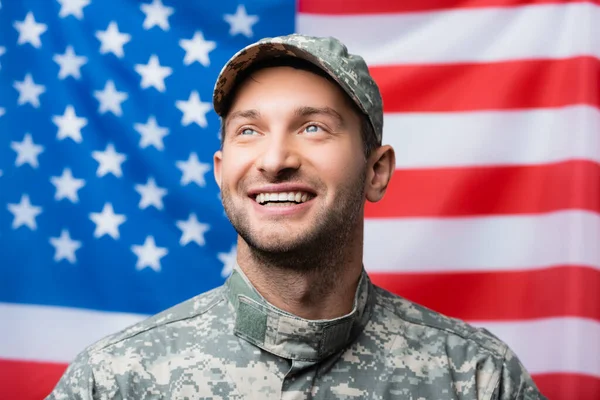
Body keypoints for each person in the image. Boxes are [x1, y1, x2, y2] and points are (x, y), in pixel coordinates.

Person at [46, 34, 547, 400]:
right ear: (222, 173)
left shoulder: (478, 378)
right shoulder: (115, 380)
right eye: (248, 131)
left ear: (376, 172)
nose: (274, 159)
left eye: (312, 127)